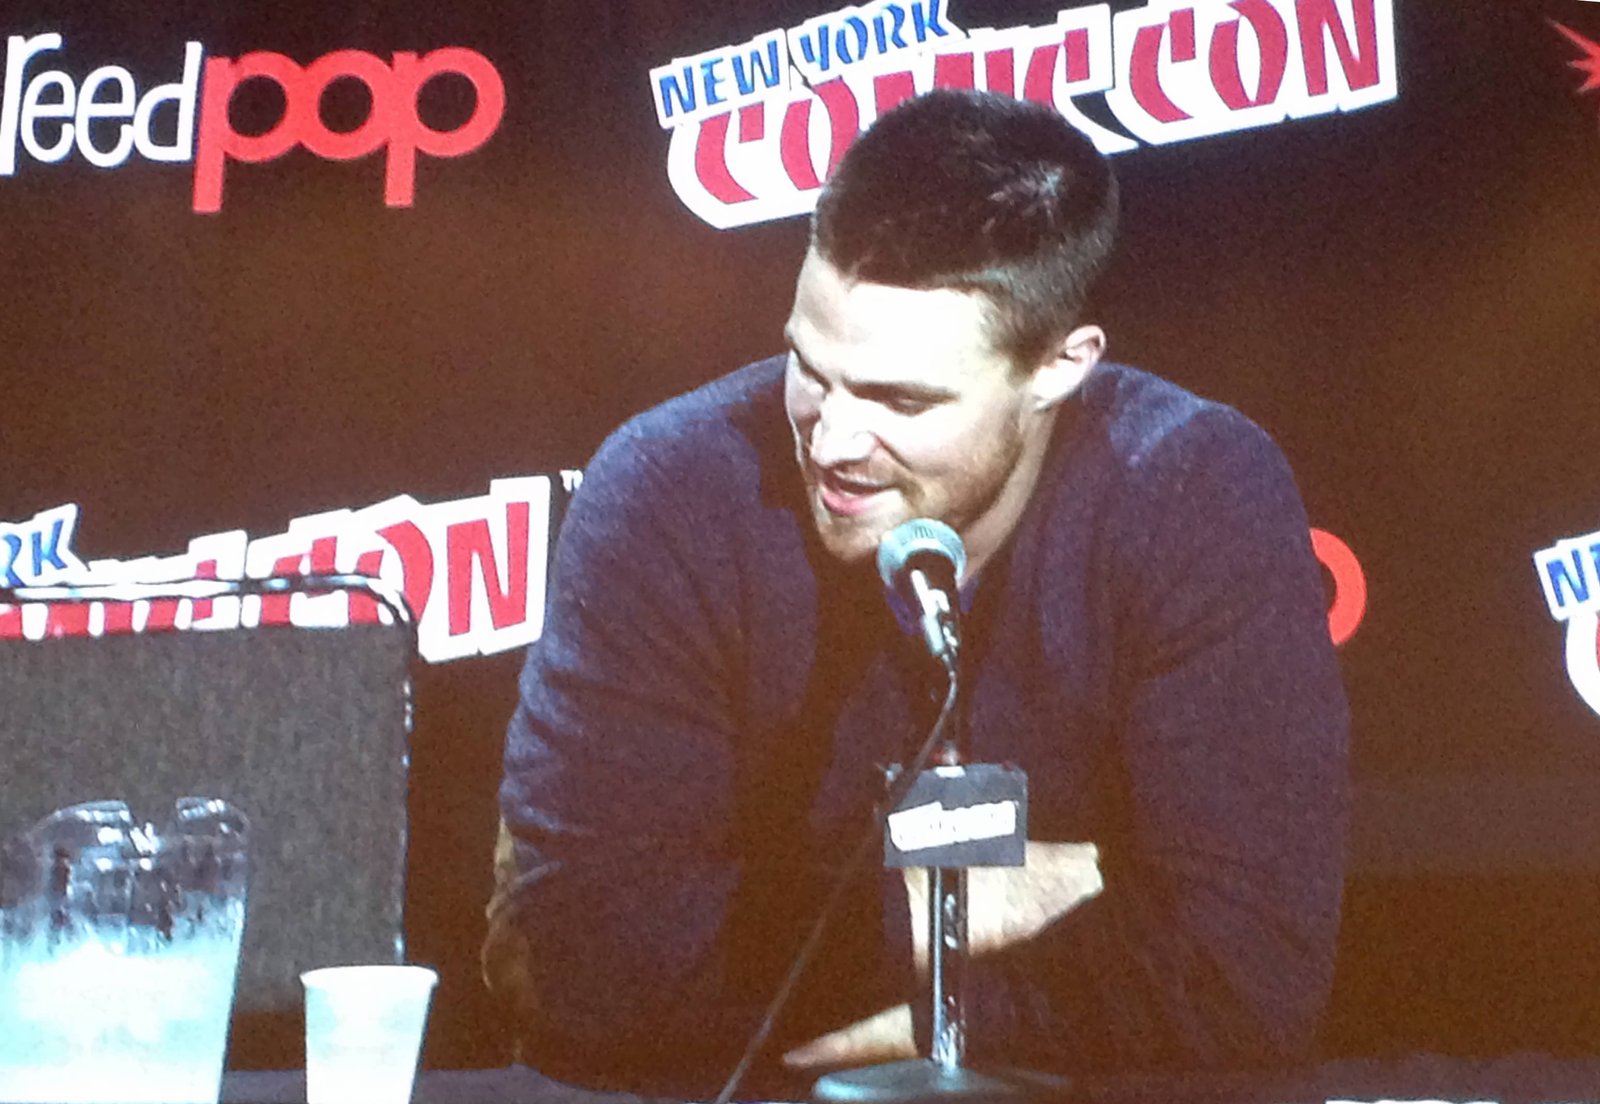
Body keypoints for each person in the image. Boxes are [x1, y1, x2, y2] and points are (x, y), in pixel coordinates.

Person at [484, 89, 1348, 1095]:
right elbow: (582, 955)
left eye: (902, 401)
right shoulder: (666, 487)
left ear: (1058, 368)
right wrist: (983, 901)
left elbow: (1246, 979)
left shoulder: (1196, 488)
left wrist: (937, 1021)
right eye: (811, 369)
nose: (833, 442)